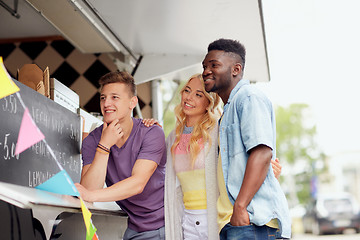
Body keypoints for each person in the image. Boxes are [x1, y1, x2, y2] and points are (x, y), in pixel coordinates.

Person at [143, 74, 283, 240]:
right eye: (187, 91)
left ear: (209, 103)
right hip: (187, 220)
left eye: (198, 94)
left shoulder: (218, 130)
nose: (189, 97)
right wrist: (152, 131)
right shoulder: (173, 137)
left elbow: (240, 162)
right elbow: (158, 171)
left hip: (214, 219)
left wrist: (268, 173)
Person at [201, 38, 291, 239]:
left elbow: (262, 152)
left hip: (253, 222)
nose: (206, 71)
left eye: (214, 65)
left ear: (236, 69)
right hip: (233, 222)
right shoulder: (227, 111)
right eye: (205, 66)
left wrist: (241, 206)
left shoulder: (249, 97)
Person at [75, 71, 167, 240]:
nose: (106, 103)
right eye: (103, 97)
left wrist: (92, 195)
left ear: (133, 102)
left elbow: (137, 184)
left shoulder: (152, 133)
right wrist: (104, 146)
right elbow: (88, 189)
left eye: (114, 97)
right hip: (135, 228)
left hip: (166, 224)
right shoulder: (92, 141)